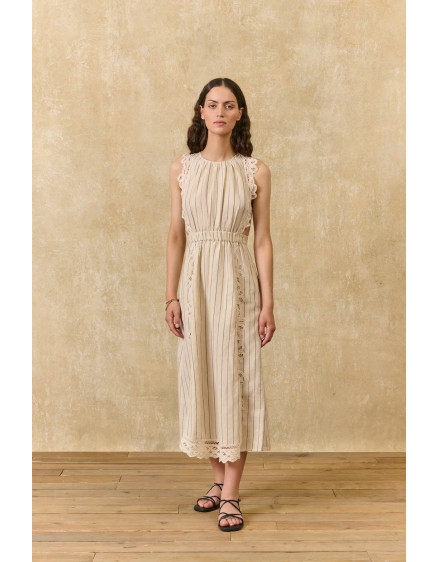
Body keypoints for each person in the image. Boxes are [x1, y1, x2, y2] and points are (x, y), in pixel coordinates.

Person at [165, 77, 276, 532]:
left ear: (239, 114)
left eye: (229, 106)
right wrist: (171, 295)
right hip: (195, 283)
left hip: (237, 282)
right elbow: (176, 235)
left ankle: (231, 493)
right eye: (212, 105)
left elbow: (262, 240)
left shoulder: (255, 171)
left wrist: (268, 303)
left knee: (236, 380)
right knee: (203, 377)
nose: (220, 113)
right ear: (201, 112)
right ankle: (217, 480)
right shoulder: (182, 169)